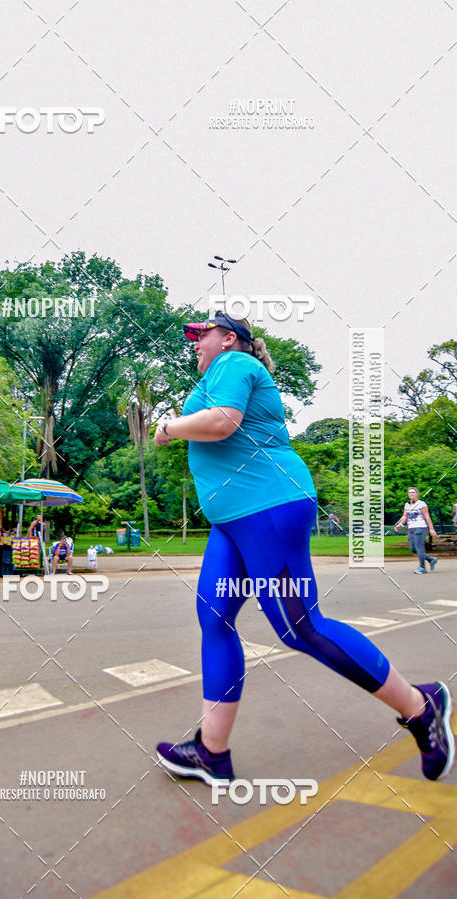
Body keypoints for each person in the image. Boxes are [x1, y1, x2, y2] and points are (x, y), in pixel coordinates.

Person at [153, 313, 454, 785]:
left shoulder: (233, 361)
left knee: (299, 627)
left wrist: (169, 427)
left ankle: (421, 706)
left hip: (266, 508)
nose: (193, 342)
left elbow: (222, 423)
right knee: (214, 618)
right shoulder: (215, 374)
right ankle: (211, 752)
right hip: (231, 521)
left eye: (200, 333)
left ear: (229, 337)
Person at [394, 488, 438, 574]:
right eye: (409, 492)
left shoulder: (421, 504)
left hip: (421, 527)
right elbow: (404, 517)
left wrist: (431, 529)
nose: (411, 494)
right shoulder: (406, 505)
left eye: (413, 492)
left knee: (419, 547)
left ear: (417, 494)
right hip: (411, 528)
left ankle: (422, 568)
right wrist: (400, 524)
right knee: (413, 549)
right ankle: (431, 559)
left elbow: (427, 516)